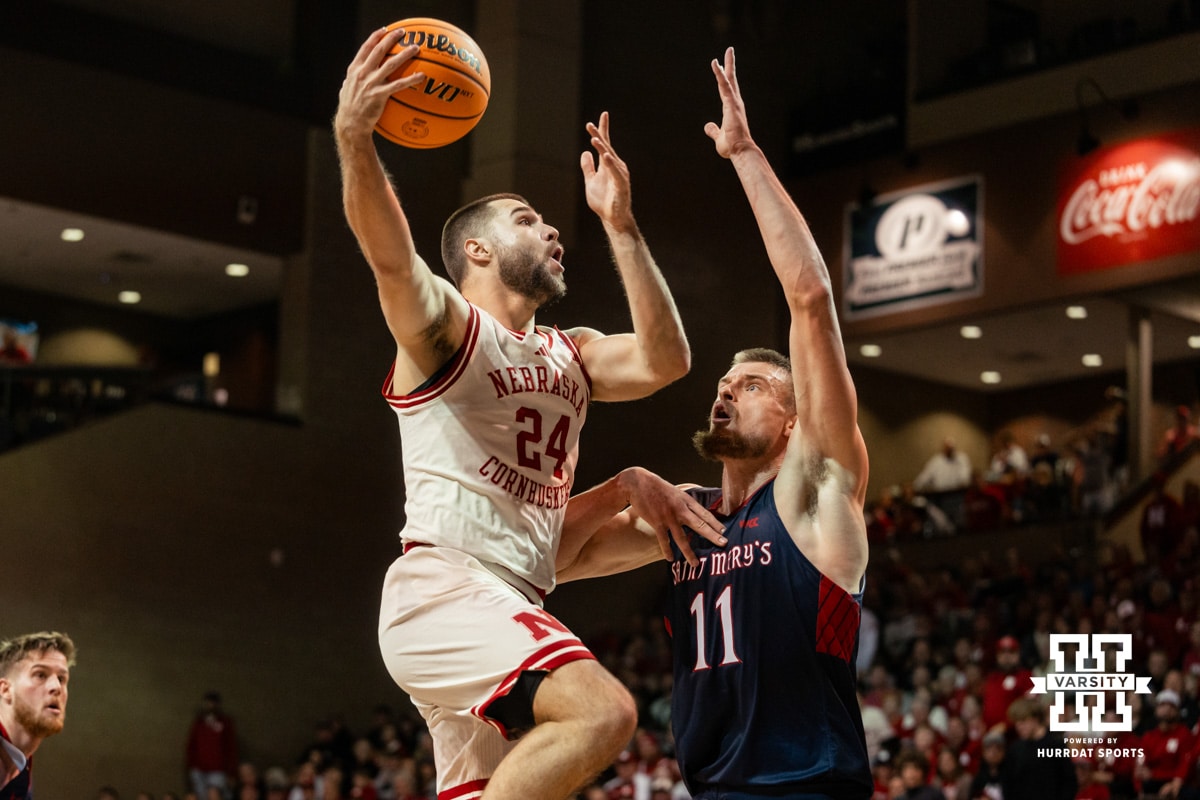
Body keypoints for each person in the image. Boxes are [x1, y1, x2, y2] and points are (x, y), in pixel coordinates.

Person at [333, 24, 723, 800]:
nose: (549, 228)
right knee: (605, 713)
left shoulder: (569, 353)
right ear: (475, 252)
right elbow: (388, 255)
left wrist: (621, 223)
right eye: (523, 218)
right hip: (444, 590)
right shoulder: (449, 332)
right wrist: (354, 140)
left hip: (509, 596)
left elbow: (665, 360)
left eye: (548, 222)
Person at [558, 47, 872, 798]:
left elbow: (810, 298)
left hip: (808, 786)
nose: (726, 392)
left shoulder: (814, 493)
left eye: (755, 385)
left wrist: (743, 153)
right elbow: (551, 562)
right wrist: (627, 485)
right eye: (724, 384)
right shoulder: (683, 519)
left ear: (798, 421)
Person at [0, 631, 75, 799]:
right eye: (40, 675)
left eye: (62, 679)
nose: (56, 687)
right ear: (5, 690)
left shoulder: (20, 769)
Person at [186, 691, 239, 800]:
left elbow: (231, 748)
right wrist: (191, 767)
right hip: (199, 770)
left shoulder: (225, 723)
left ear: (218, 704)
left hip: (218, 770)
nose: (210, 705)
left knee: (216, 795)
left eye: (212, 703)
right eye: (208, 702)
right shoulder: (199, 723)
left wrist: (231, 772)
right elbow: (191, 746)